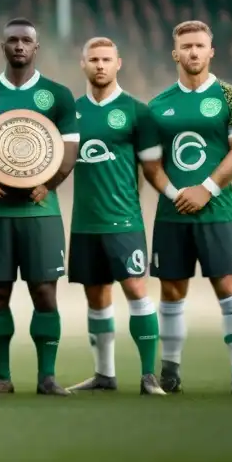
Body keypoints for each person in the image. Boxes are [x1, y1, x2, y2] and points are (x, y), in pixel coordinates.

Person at [0, 18, 78, 396]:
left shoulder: (58, 96)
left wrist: (49, 184)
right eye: (12, 40)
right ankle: (0, 377)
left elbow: (69, 150)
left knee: (44, 292)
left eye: (26, 40)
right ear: (2, 46)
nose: (19, 46)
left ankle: (47, 377)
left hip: (40, 212)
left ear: (36, 47)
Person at [146, 20, 232, 395]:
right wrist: (175, 193)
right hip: (172, 214)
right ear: (175, 53)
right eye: (186, 46)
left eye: (199, 46)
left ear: (211, 51)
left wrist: (206, 190)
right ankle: (170, 371)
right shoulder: (157, 106)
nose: (193, 52)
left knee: (227, 286)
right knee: (172, 291)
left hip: (219, 211)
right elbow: (151, 164)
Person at [66, 37, 167, 395]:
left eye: (107, 59)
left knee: (137, 290)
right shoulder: (71, 111)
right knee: (96, 296)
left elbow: (152, 168)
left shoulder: (138, 112)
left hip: (124, 221)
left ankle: (147, 375)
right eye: (93, 59)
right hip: (84, 223)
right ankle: (104, 375)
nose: (100, 65)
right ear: (83, 64)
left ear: (118, 63)